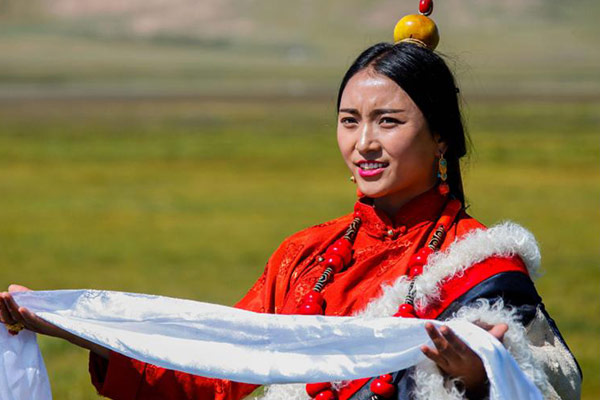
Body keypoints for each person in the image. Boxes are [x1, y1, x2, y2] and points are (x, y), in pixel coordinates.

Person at [0, 12, 582, 400]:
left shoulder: (482, 265)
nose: (364, 143)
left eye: (389, 121)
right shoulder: (306, 255)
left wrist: (483, 377)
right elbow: (214, 369)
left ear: (441, 139)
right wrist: (83, 328)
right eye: (349, 121)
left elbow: (554, 384)